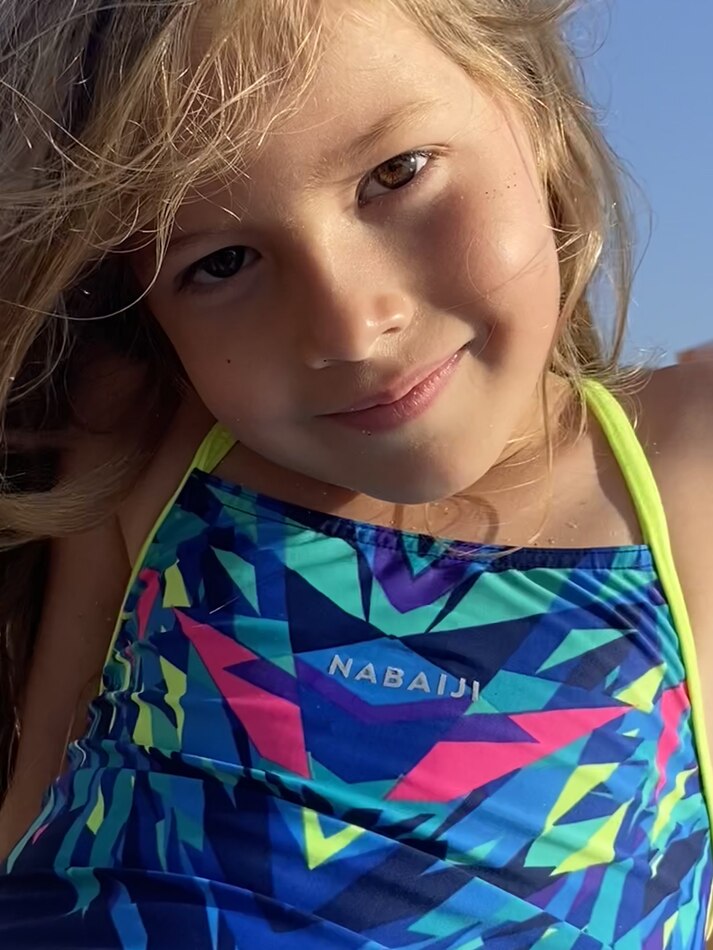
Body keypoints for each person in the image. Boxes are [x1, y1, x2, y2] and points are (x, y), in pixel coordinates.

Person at [0, 0, 711, 946]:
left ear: (534, 106)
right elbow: (34, 805)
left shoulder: (686, 464)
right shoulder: (144, 438)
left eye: (396, 173)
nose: (347, 326)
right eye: (222, 262)